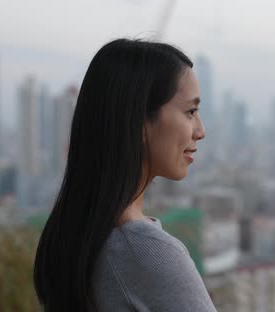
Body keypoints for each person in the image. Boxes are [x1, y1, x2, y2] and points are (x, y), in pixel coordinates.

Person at [33, 38, 217, 312]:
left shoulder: (73, 237)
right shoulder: (148, 252)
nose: (200, 130)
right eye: (190, 111)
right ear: (140, 121)